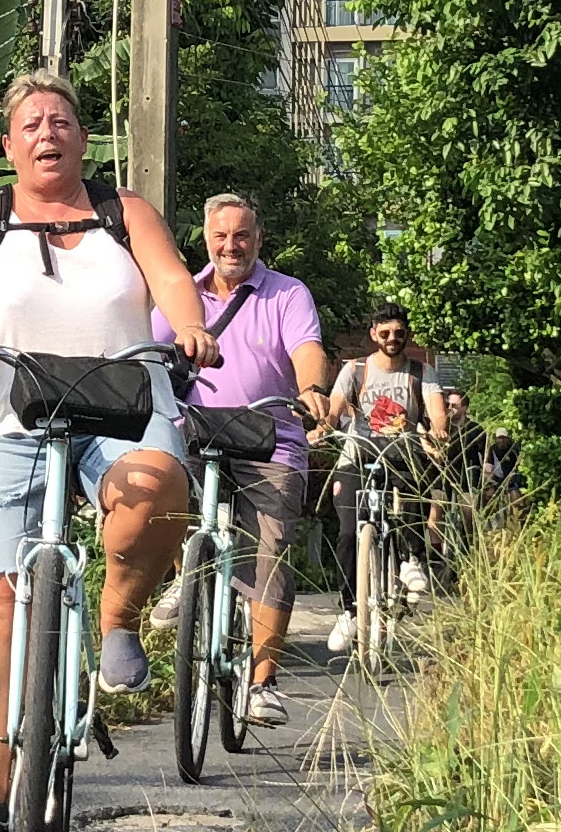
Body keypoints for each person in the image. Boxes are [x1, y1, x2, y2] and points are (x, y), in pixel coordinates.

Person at [0, 75, 214, 832]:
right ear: (9, 145)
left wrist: (191, 325)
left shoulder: (123, 211)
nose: (48, 132)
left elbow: (170, 278)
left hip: (125, 409)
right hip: (10, 419)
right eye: (31, 123)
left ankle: (116, 618)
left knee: (158, 485)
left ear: (82, 138)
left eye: (61, 120)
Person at [176, 193, 332, 725]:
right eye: (220, 236)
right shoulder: (184, 296)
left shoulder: (287, 294)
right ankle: (184, 575)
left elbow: (307, 348)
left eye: (241, 235)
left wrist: (311, 387)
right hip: (199, 436)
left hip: (272, 439)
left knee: (271, 550)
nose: (230, 245)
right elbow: (149, 345)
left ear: (258, 239)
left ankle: (263, 682)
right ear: (206, 239)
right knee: (157, 483)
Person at [323, 301, 445, 657]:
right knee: (347, 532)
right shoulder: (355, 369)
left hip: (402, 453)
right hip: (357, 454)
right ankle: (349, 609)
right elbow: (334, 407)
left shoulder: (421, 373)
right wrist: (321, 428)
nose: (393, 338)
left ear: (407, 335)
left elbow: (436, 412)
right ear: (373, 334)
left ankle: (411, 559)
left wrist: (437, 433)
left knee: (415, 488)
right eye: (386, 332)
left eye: (399, 333)